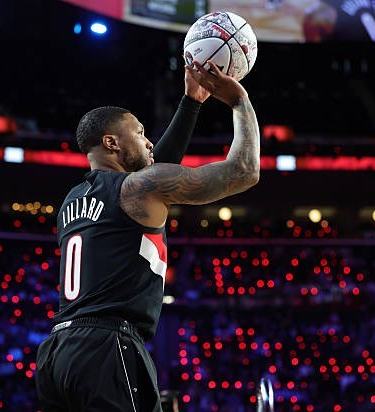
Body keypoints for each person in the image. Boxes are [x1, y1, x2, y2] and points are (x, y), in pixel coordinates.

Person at [35, 60, 260, 412]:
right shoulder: (137, 189)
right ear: (112, 142)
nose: (149, 141)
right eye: (139, 133)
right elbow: (244, 171)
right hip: (106, 347)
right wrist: (239, 101)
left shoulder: (73, 199)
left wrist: (191, 102)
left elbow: (152, 170)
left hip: (56, 353)